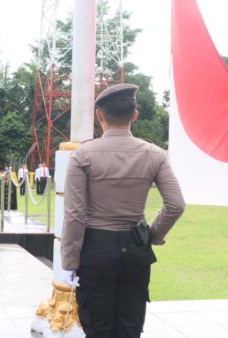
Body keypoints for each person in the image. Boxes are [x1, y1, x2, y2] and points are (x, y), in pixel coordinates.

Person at [60, 84, 186, 338]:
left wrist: (70, 260)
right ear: (135, 115)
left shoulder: (83, 155)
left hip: (96, 250)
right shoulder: (155, 154)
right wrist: (150, 235)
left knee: (98, 329)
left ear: (100, 116)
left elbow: (74, 214)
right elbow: (176, 204)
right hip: (135, 250)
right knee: (130, 328)